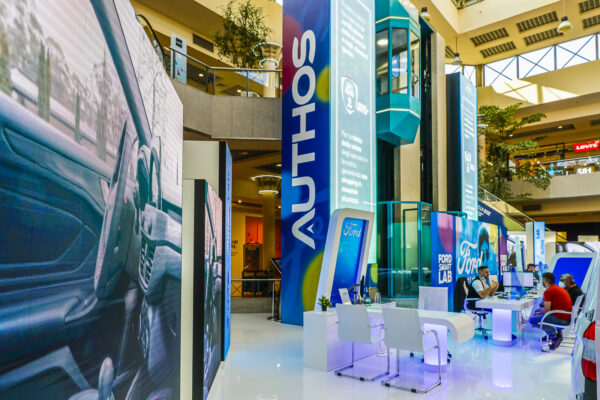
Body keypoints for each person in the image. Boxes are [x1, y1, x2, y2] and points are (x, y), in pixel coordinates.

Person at [530, 272, 573, 350]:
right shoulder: (557, 288)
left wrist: (538, 313)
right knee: (537, 311)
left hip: (560, 318)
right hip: (565, 316)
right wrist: (539, 312)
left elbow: (546, 310)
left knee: (532, 320)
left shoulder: (548, 291)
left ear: (545, 281)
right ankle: (552, 333)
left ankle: (553, 335)